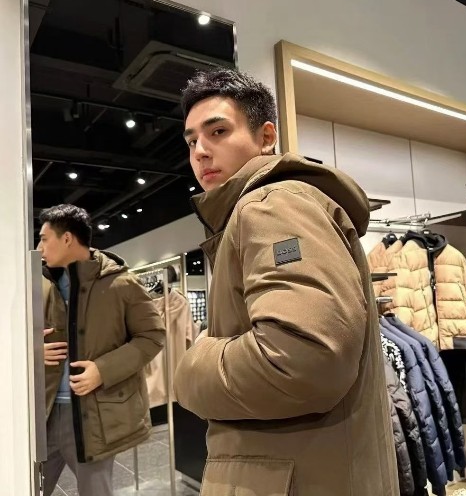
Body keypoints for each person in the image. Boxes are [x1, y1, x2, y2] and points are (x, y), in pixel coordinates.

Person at [174, 68, 399, 495]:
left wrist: (189, 369)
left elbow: (302, 360)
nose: (200, 151)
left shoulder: (271, 205)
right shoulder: (264, 208)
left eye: (218, 131)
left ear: (266, 137)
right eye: (191, 141)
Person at [39, 204, 165, 496]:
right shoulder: (39, 285)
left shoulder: (122, 283)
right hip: (43, 413)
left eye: (44, 239)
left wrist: (103, 370)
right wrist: (32, 350)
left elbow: (152, 335)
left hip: (93, 417)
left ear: (67, 238)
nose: (40, 247)